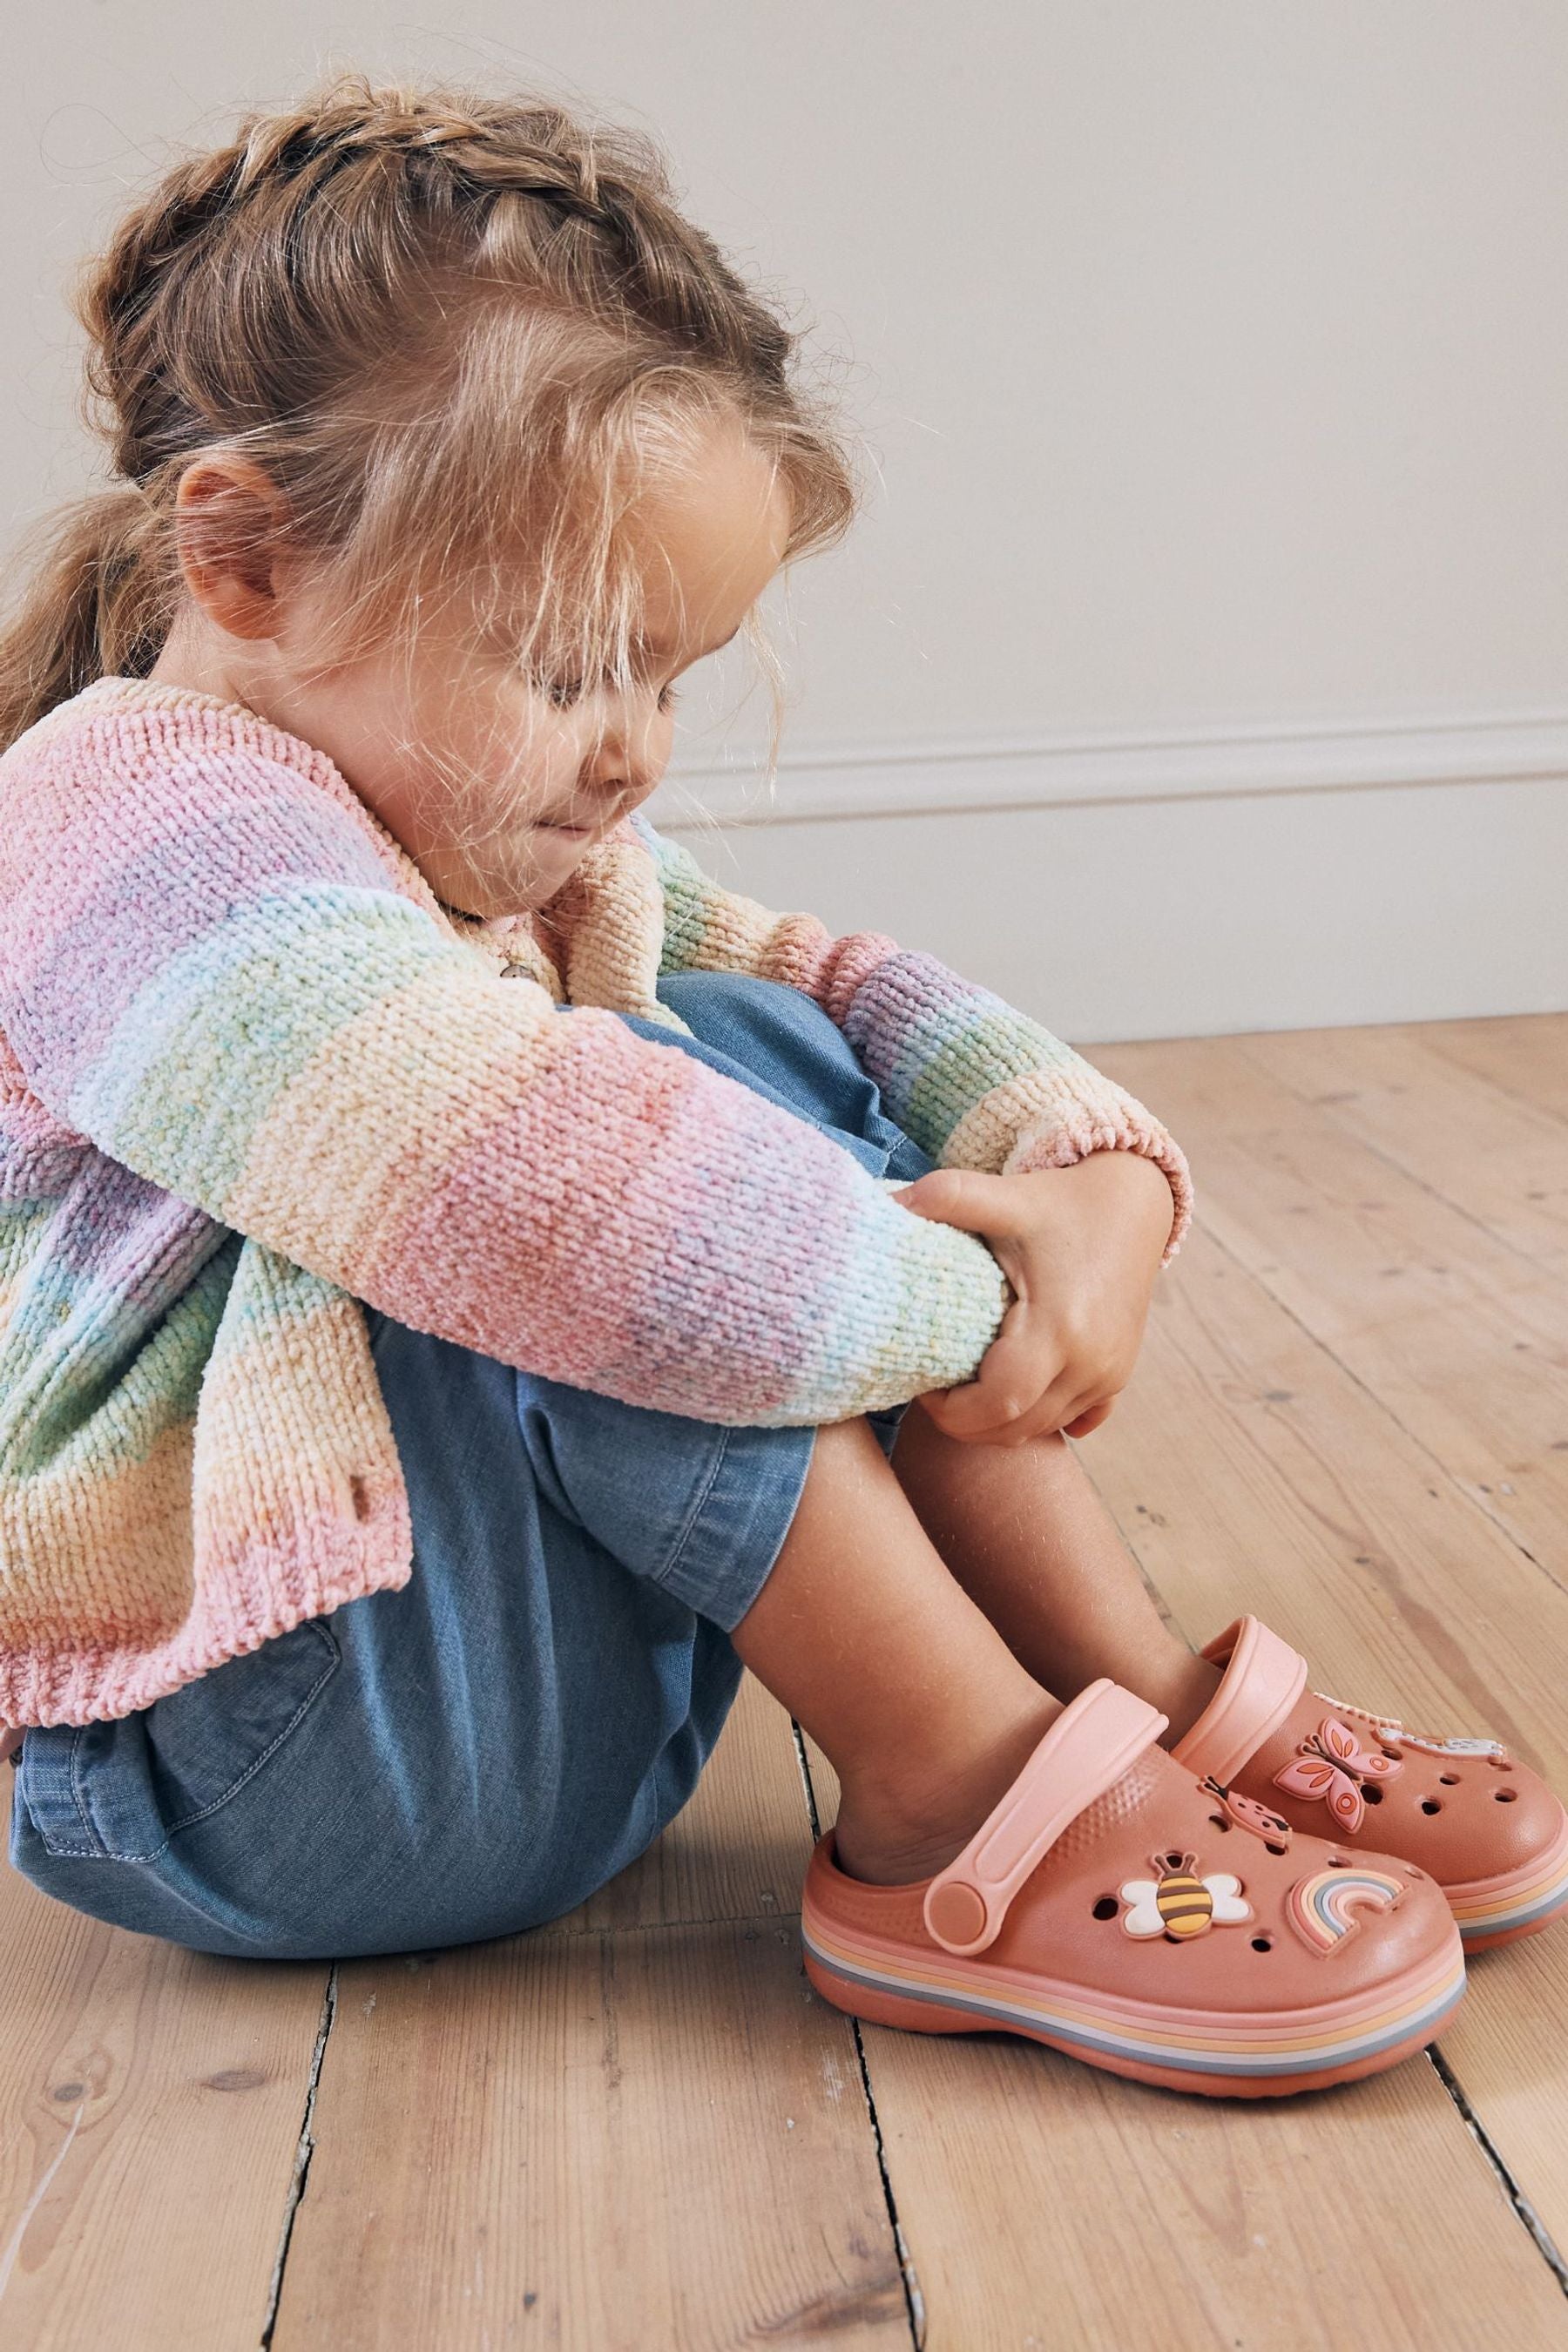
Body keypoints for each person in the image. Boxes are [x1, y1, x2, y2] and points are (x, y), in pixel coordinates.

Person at [0, 74, 1558, 2099]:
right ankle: (958, 1802)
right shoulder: (130, 840)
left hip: (491, 1709)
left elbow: (837, 984)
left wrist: (1090, 1185)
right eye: (572, 666)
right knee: (597, 1171)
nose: (636, 748)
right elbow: (607, 1235)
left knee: (741, 1045)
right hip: (258, 1770)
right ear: (249, 563)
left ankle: (1131, 1698)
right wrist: (986, 1305)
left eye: (674, 671)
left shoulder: (466, 818)